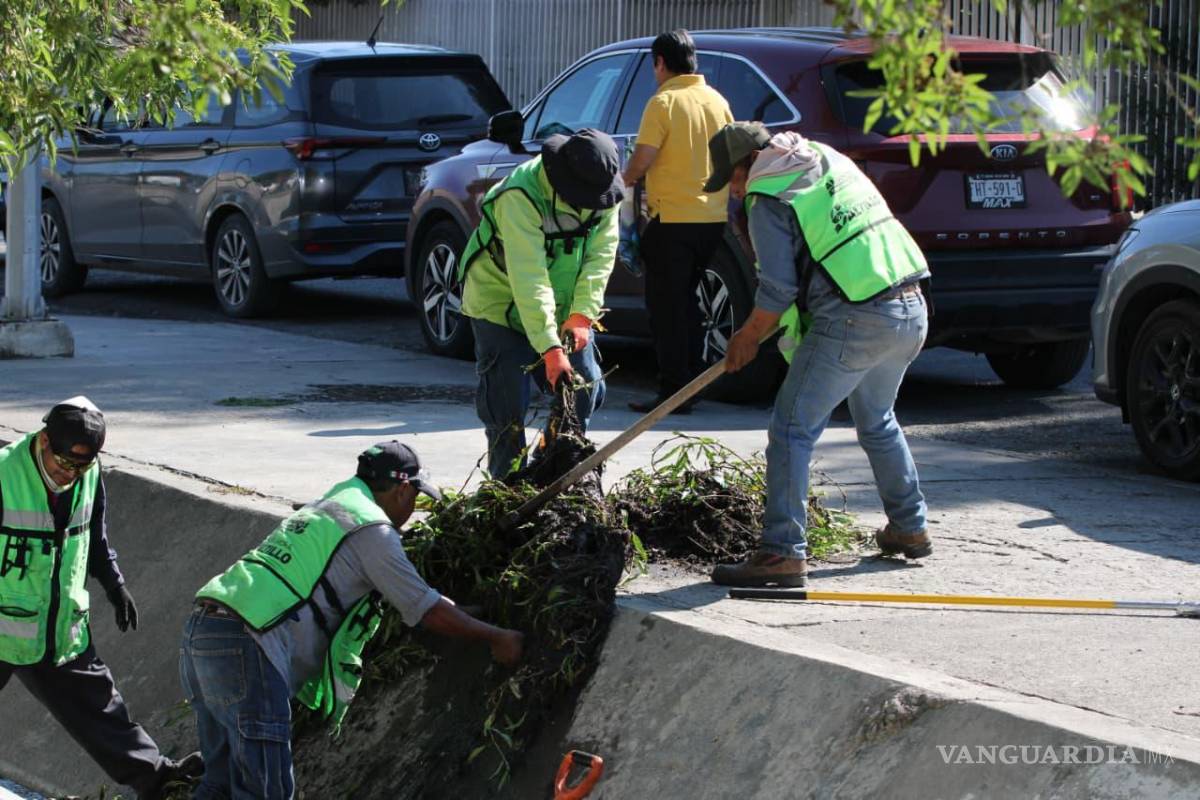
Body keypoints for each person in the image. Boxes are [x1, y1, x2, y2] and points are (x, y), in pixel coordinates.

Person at [180, 441, 524, 799]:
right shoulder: (372, 530)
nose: (413, 510)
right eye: (416, 499)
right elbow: (427, 612)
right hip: (248, 646)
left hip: (204, 630)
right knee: (265, 791)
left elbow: (412, 598)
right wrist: (498, 637)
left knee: (219, 783)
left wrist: (456, 610)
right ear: (403, 488)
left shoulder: (331, 505)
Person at [704, 123, 932, 588]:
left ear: (747, 165)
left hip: (856, 316)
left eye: (731, 176)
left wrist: (747, 335)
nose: (732, 188)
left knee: (790, 429)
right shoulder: (822, 160)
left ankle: (782, 553)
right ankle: (909, 526)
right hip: (910, 306)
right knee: (877, 419)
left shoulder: (767, 194)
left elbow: (778, 289)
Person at [0, 397, 201, 799]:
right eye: (64, 462)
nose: (70, 473)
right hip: (4, 623)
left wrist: (115, 585)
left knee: (101, 707)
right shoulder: (3, 474)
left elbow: (94, 537)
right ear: (43, 440)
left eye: (82, 465)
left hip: (60, 625)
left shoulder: (90, 476)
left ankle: (159, 781)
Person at [460, 128, 624, 477]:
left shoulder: (602, 190)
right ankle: (507, 493)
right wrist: (550, 349)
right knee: (507, 413)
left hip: (565, 306)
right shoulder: (520, 195)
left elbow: (601, 257)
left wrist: (581, 315)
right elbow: (528, 277)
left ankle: (552, 465)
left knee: (585, 389)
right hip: (500, 304)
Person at [623, 29, 734, 414]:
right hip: (712, 220)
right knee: (689, 303)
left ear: (660, 62)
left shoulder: (664, 102)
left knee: (667, 308)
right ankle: (693, 382)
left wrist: (622, 180)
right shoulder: (718, 100)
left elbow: (643, 158)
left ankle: (673, 391)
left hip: (671, 220)